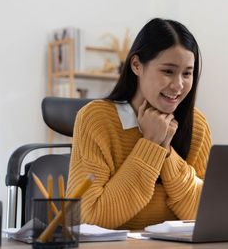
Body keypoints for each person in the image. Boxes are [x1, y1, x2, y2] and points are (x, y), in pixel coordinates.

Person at [66, 18, 212, 230]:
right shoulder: (96, 119)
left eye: (187, 73)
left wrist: (166, 150)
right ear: (136, 65)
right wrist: (151, 143)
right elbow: (87, 218)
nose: (179, 85)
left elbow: (205, 213)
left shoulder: (196, 124)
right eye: (168, 71)